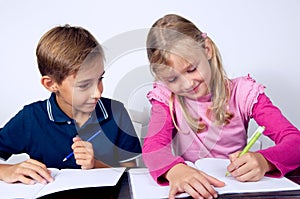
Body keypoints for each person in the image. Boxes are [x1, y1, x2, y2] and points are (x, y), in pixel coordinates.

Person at [142, 14, 300, 199]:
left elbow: (294, 142)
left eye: (191, 69)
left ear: (207, 49)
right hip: (193, 192)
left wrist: (264, 161)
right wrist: (175, 170)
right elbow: (153, 146)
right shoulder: (166, 96)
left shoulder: (244, 93)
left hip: (237, 189)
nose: (186, 84)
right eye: (172, 79)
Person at [0, 25, 142, 185]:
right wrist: (5, 170)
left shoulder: (116, 112)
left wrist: (96, 164)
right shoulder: (30, 118)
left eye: (100, 79)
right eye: (84, 85)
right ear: (51, 84)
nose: (97, 93)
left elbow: (132, 171)